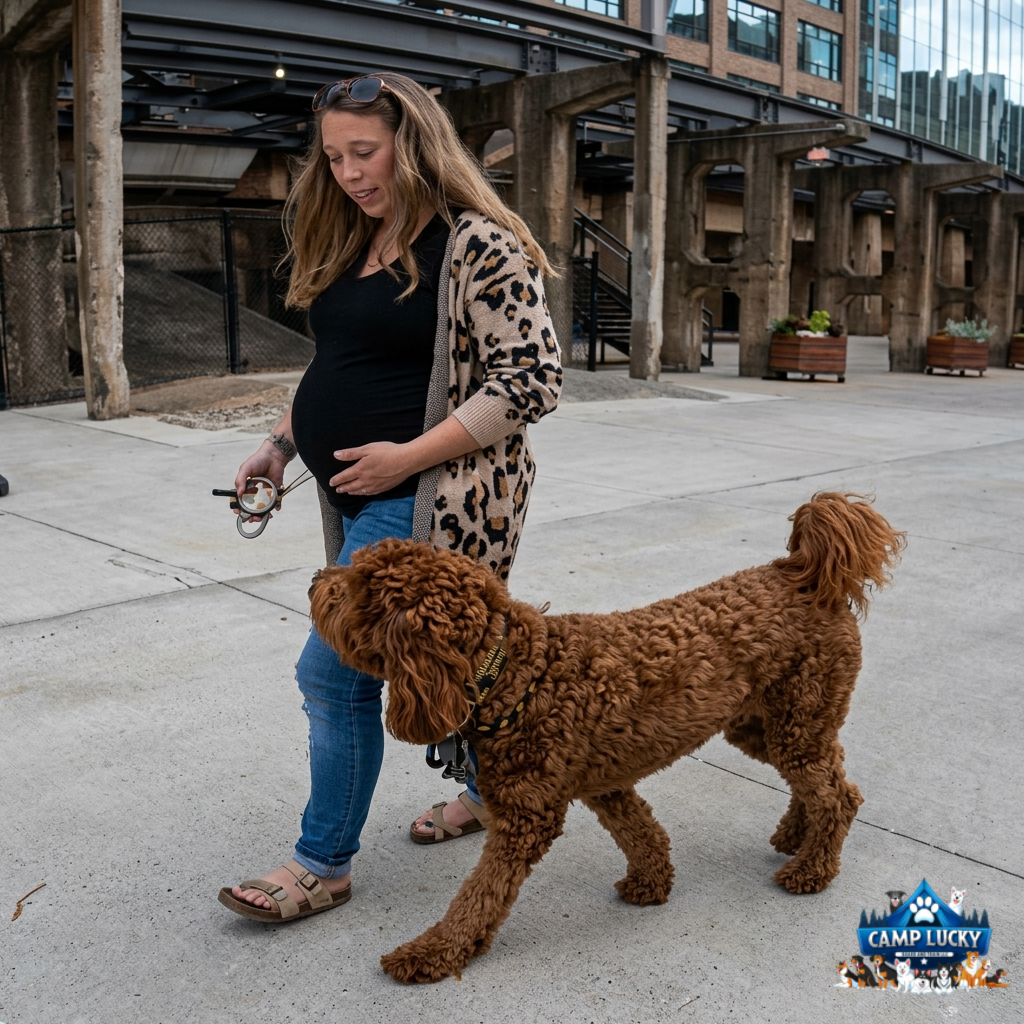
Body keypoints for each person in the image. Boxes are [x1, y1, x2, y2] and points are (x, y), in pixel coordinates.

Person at [217, 72, 561, 921]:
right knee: (451, 662)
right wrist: (279, 443)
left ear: (413, 143)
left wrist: (407, 455)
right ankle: (490, 793)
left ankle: (321, 864)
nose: (348, 172)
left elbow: (532, 381)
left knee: (332, 675)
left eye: (363, 152)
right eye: (333, 157)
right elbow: (339, 365)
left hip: (439, 498)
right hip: (358, 496)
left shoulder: (478, 244)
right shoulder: (351, 242)